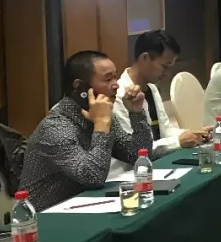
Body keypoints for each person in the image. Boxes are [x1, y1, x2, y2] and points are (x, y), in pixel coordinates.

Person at [19, 51, 153, 211]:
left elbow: (137, 155)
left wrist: (136, 113)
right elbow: (93, 177)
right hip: (43, 217)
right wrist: (101, 124)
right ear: (80, 87)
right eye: (108, 79)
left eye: (115, 77)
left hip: (81, 207)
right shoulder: (56, 127)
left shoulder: (100, 115)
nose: (116, 85)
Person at [109, 31, 210, 178]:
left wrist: (194, 134)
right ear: (145, 58)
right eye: (165, 66)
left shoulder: (151, 88)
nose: (167, 73)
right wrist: (178, 141)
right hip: (130, 173)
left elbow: (165, 130)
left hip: (157, 165)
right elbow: (135, 150)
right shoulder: (120, 96)